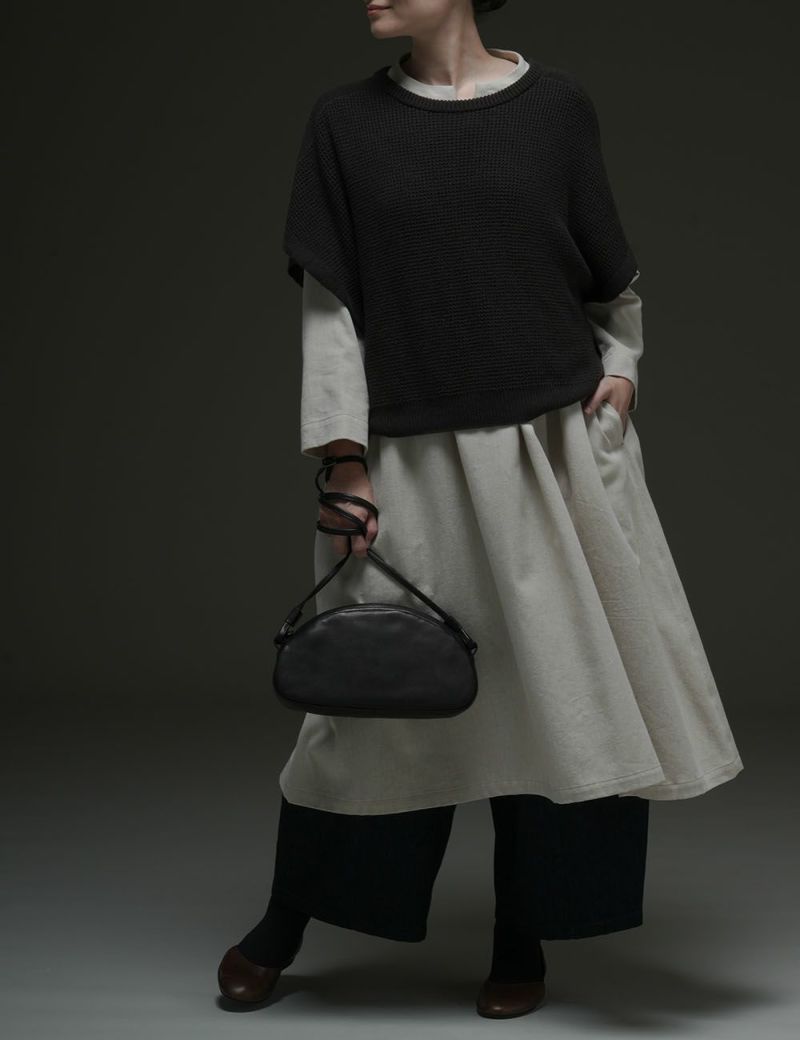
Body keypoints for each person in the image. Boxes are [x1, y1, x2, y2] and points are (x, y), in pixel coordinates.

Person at [218, 0, 743, 1019]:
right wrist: (343, 459)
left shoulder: (556, 109)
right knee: (369, 712)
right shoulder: (343, 124)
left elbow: (609, 279)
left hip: (551, 455)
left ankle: (522, 932)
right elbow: (329, 310)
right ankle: (286, 919)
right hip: (407, 457)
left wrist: (622, 373)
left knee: (559, 699)